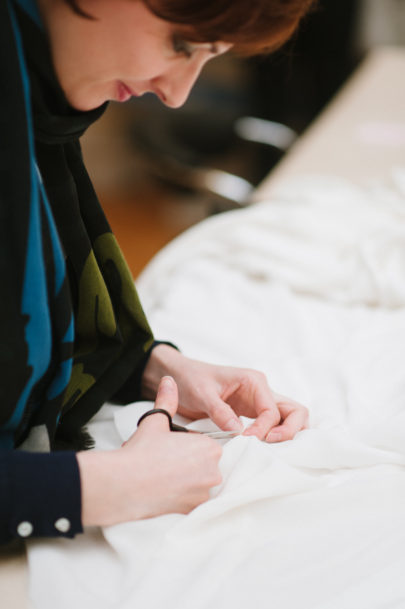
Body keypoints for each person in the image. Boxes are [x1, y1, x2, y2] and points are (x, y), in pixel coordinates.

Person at [0, 0, 314, 544]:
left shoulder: (29, 106)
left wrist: (150, 368)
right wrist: (104, 487)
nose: (176, 94)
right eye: (182, 45)